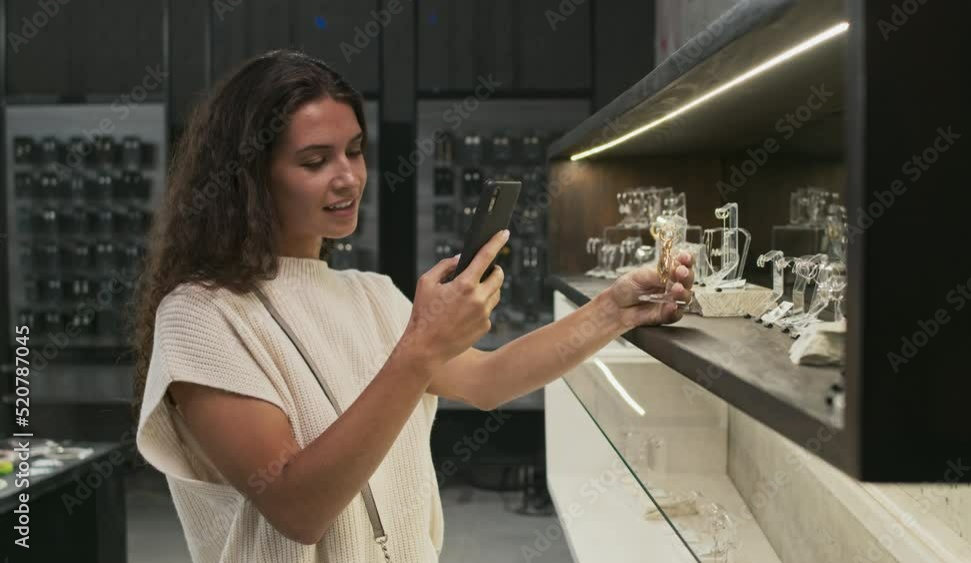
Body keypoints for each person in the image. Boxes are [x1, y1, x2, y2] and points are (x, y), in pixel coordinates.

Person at [132, 49, 693, 563]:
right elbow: (296, 506)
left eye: (355, 151)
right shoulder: (200, 315)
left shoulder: (371, 294)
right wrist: (422, 345)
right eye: (315, 161)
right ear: (250, 179)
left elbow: (489, 380)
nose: (348, 177)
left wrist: (616, 309)